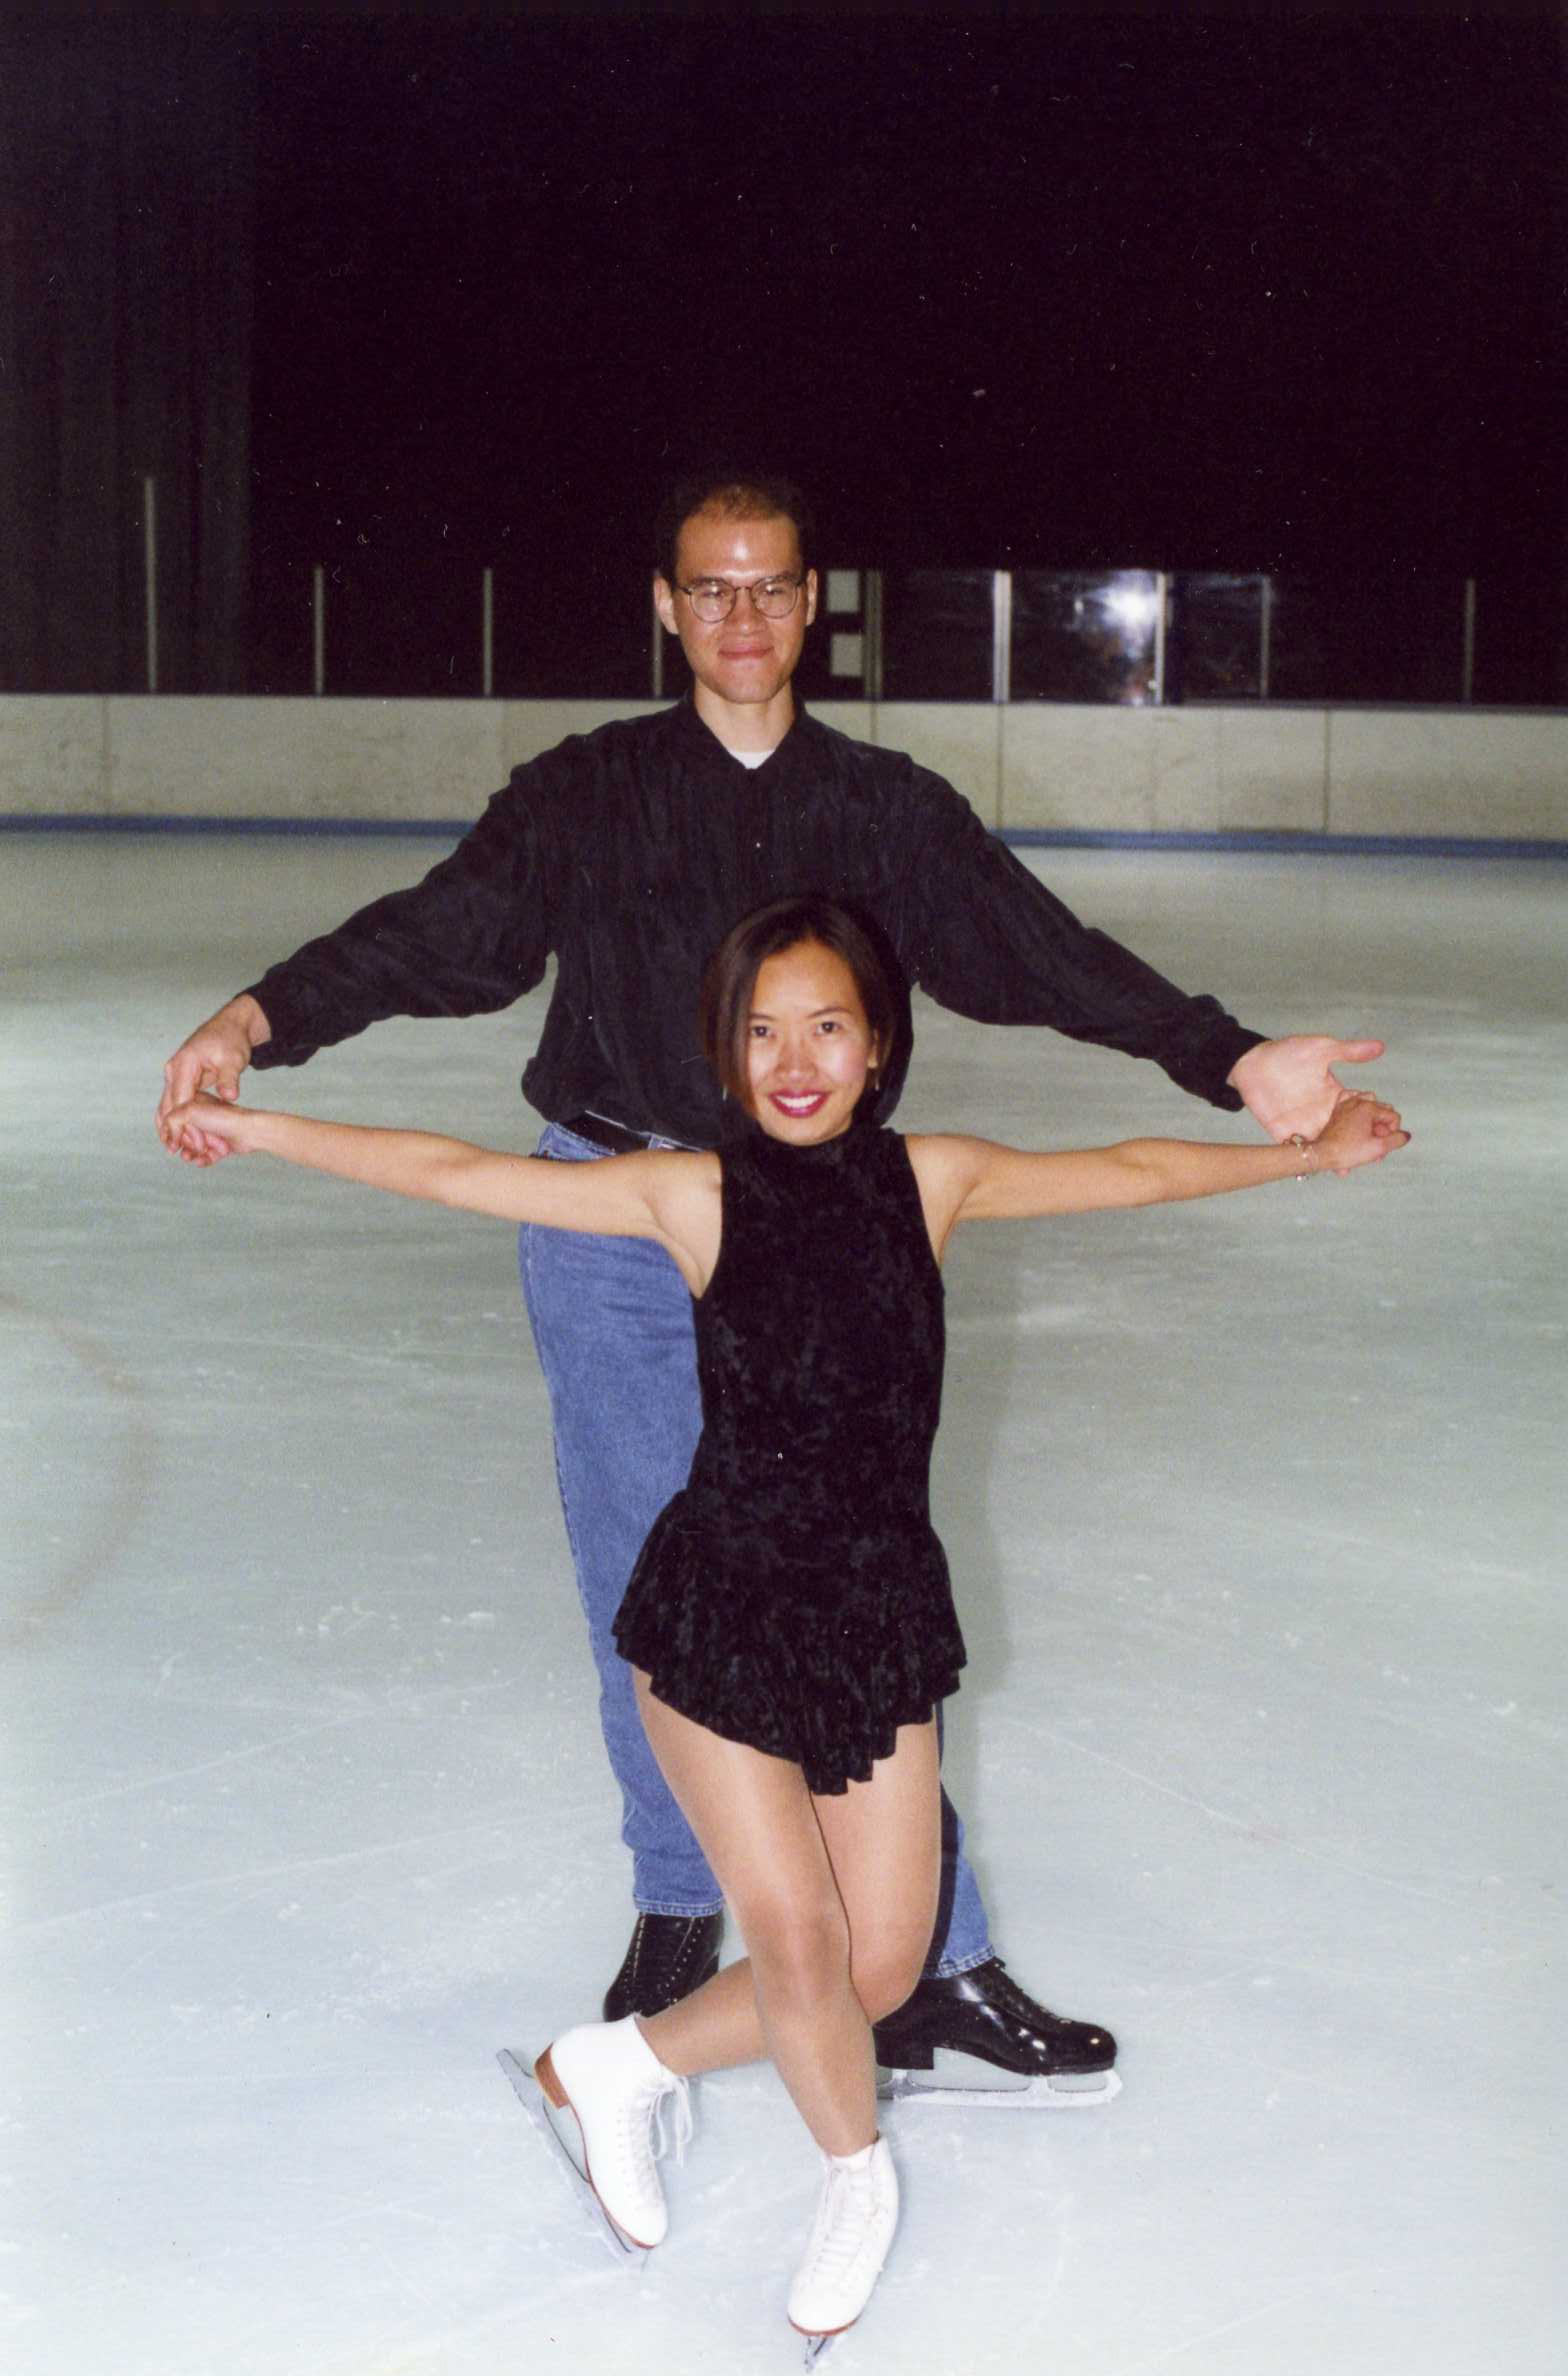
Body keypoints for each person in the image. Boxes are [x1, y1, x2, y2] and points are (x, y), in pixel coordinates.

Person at [157, 467, 1392, 2104]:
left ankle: (930, 1960)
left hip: (824, 1248)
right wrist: (258, 1018)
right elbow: (436, 937)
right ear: (667, 607)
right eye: (710, 587)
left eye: (771, 586)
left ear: (813, 605)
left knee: (850, 1592)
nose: (741, 614)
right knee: (644, 1584)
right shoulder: (587, 792)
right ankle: (683, 1904)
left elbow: (1041, 953)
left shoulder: (888, 812)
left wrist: (1230, 1059)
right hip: (618, 1221)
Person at [163, 894, 1408, 2351]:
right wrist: (261, 1126)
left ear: (878, 1047)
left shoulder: (933, 1180)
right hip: (719, 1614)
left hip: (874, 1614)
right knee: (804, 1946)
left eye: (826, 1028)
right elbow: (454, 1169)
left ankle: (617, 2068)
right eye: (762, 1033)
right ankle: (854, 2178)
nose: (795, 1062)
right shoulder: (689, 1195)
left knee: (881, 1965)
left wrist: (1310, 1155)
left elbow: (1135, 1170)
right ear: (727, 1052)